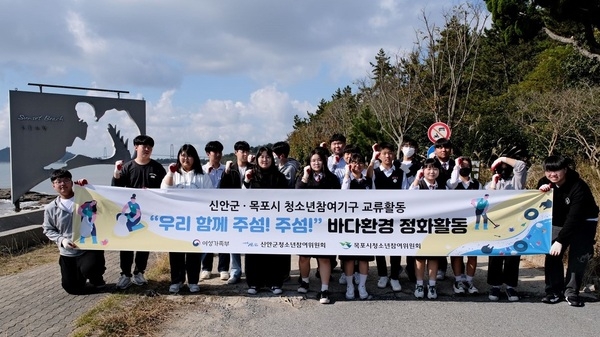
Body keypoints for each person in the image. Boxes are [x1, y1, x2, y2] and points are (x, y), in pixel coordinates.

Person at [538, 155, 599, 307]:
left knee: (578, 256)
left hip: (583, 222)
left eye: (556, 170)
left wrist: (560, 240)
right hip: (558, 221)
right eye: (548, 171)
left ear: (565, 169)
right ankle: (553, 291)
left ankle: (571, 291)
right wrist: (540, 194)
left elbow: (574, 217)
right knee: (551, 253)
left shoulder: (578, 186)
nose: (552, 174)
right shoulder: (544, 183)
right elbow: (537, 207)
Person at [112, 135, 166, 289]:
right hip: (130, 215)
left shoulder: (157, 168)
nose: (147, 149)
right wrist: (116, 173)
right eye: (144, 146)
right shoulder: (128, 167)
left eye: (150, 146)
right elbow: (115, 188)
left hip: (148, 214)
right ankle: (125, 274)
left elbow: (165, 190)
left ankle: (139, 272)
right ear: (136, 147)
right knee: (127, 244)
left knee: (144, 244)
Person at [42, 169, 106, 294]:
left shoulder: (85, 199)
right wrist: (62, 240)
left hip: (88, 247)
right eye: (58, 181)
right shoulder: (51, 208)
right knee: (71, 288)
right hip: (68, 251)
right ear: (53, 185)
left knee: (91, 268)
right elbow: (48, 229)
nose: (62, 184)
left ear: (72, 183)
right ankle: (79, 276)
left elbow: (102, 205)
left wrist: (87, 187)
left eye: (66, 180)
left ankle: (96, 278)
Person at [161, 144, 214, 293]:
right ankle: (176, 281)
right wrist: (170, 173)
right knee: (176, 252)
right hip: (176, 221)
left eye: (189, 156)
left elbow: (211, 197)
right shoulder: (173, 173)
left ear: (195, 158)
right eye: (183, 155)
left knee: (194, 252)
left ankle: (193, 281)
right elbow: (164, 191)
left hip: (195, 221)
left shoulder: (202, 175)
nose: (186, 159)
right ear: (179, 157)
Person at [296, 147, 341, 304]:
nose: (316, 163)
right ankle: (305, 281)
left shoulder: (332, 179)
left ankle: (324, 289)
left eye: (319, 160)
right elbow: (296, 195)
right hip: (307, 224)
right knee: (304, 256)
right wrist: (304, 176)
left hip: (325, 224)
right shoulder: (304, 178)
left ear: (324, 162)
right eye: (313, 160)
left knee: (324, 258)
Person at [242, 146, 290, 295]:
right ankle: (254, 283)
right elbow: (242, 198)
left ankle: (275, 283)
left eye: (268, 157)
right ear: (256, 159)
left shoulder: (279, 177)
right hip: (255, 222)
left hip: (274, 222)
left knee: (274, 252)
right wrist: (246, 181)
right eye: (261, 157)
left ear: (272, 159)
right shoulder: (251, 175)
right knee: (254, 253)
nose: (264, 159)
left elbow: (286, 200)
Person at [485, 156, 527, 301]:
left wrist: (501, 158)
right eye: (500, 166)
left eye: (505, 166)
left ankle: (510, 286)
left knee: (513, 256)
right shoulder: (490, 184)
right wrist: (493, 185)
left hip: (515, 224)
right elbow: (485, 201)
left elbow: (521, 165)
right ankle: (495, 286)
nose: (503, 169)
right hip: (496, 225)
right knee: (495, 255)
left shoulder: (516, 182)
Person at [368, 142, 403, 292]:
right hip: (378, 214)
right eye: (384, 153)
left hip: (397, 214)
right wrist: (372, 158)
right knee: (380, 245)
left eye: (390, 153)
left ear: (394, 155)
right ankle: (382, 274)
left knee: (396, 246)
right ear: (379, 156)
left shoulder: (400, 172)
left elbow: (406, 192)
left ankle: (394, 276)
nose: (387, 156)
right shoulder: (375, 171)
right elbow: (368, 176)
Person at [409, 158, 446, 299]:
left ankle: (432, 285)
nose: (432, 171)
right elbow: (410, 195)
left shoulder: (442, 186)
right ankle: (419, 284)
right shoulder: (419, 184)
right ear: (423, 170)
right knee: (420, 257)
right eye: (428, 168)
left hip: (436, 227)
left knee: (434, 256)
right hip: (420, 227)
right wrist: (417, 179)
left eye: (435, 169)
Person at [340, 152, 374, 300]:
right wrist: (347, 175)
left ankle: (362, 286)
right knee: (348, 257)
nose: (357, 165)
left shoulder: (368, 180)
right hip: (348, 224)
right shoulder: (345, 179)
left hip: (365, 224)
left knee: (363, 258)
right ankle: (350, 286)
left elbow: (374, 199)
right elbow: (343, 194)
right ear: (349, 164)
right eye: (354, 162)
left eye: (360, 163)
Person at [220, 140, 253, 284]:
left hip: (251, 210)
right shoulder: (230, 168)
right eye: (242, 151)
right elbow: (223, 188)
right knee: (234, 242)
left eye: (246, 151)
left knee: (251, 242)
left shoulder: (254, 168)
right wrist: (226, 172)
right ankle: (236, 271)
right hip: (233, 211)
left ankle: (252, 271)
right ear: (236, 153)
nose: (245, 154)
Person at [447, 156, 481, 295]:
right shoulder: (452, 183)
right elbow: (452, 183)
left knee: (473, 253)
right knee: (457, 253)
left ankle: (469, 280)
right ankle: (458, 280)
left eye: (467, 166)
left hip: (473, 222)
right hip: (457, 222)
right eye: (462, 166)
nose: (464, 168)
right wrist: (456, 166)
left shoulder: (477, 184)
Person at [200, 140, 230, 281]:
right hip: (206, 210)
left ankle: (224, 269)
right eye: (214, 152)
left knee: (224, 239)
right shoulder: (201, 171)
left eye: (220, 152)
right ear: (208, 154)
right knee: (207, 239)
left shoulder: (227, 169)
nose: (218, 155)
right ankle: (206, 268)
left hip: (224, 209)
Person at [271, 140, 300, 281]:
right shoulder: (281, 166)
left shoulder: (290, 168)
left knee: (283, 243)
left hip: (285, 209)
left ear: (281, 156)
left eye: (274, 155)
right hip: (277, 209)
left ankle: (284, 273)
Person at [433, 137, 454, 281]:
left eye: (446, 147)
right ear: (435, 150)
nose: (443, 150)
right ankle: (441, 267)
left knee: (453, 237)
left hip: (454, 206)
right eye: (440, 147)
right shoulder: (430, 165)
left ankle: (459, 273)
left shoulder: (456, 164)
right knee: (438, 236)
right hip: (435, 206)